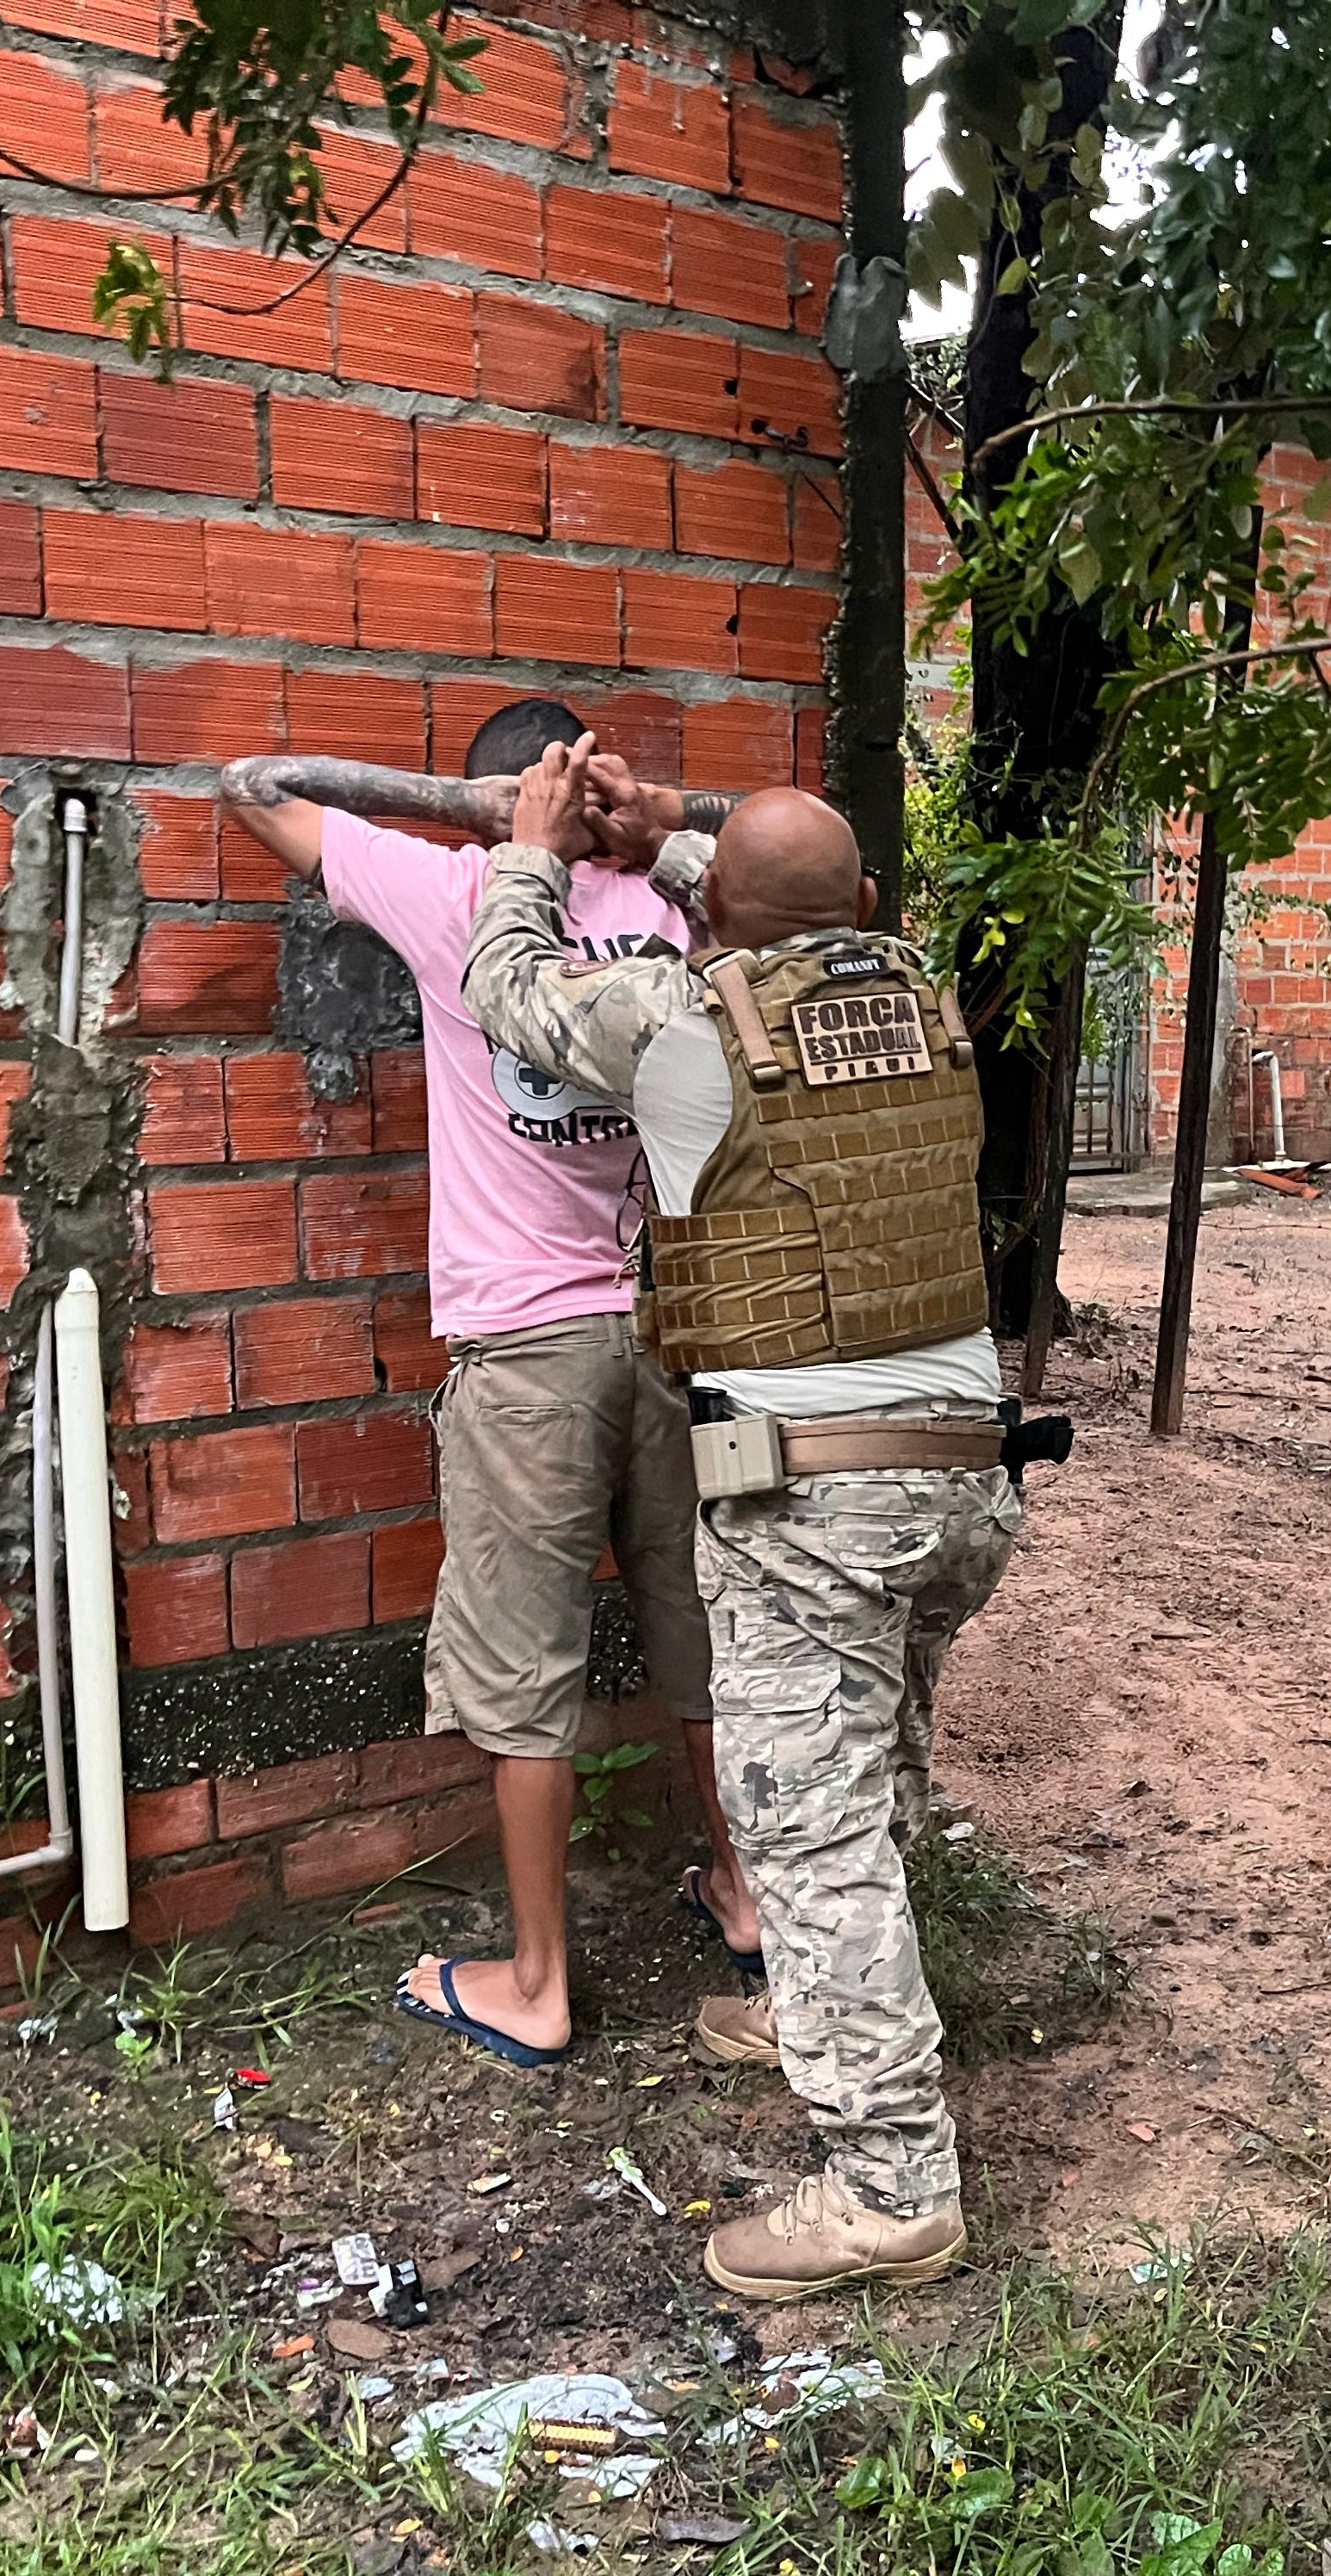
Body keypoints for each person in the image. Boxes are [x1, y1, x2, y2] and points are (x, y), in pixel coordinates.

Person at [461, 745, 1020, 2300]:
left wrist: (532, 851)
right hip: (966, 1478)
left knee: (808, 1831)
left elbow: (510, 991)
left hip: (814, 1492)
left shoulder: (676, 1019)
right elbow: (796, 903)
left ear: (722, 918)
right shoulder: (927, 993)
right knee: (880, 1760)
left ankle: (893, 2186)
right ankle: (834, 2014)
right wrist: (682, 836)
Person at [217, 707, 751, 2067]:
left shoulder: (454, 887)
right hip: (677, 1332)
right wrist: (666, 817)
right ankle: (744, 1897)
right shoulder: (682, 896)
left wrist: (471, 822)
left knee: (525, 1671)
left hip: (526, 1352)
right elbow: (820, 878)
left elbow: (251, 787)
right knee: (702, 1632)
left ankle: (536, 1983)